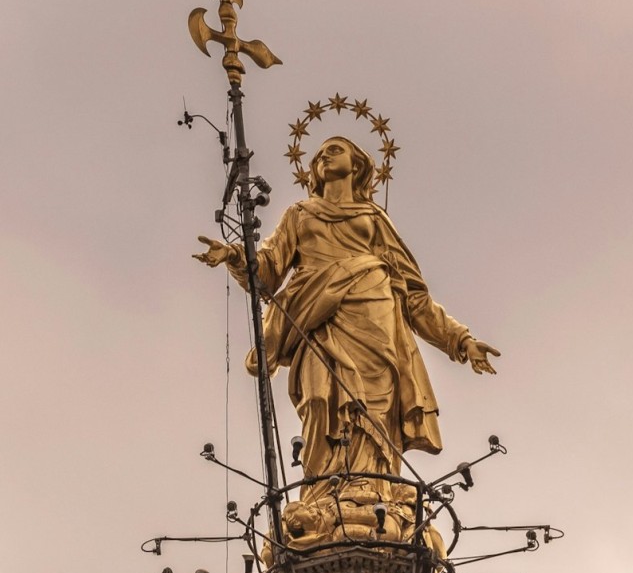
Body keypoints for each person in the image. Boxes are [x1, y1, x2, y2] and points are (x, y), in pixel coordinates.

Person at [193, 136, 499, 511]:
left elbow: (415, 295)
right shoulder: (299, 214)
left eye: (334, 150)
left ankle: (376, 490)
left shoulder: (373, 219)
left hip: (375, 321)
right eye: (319, 153)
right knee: (321, 398)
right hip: (315, 318)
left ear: (357, 165)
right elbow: (268, 272)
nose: (323, 156)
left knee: (374, 409)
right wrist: (234, 255)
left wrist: (461, 339)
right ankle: (325, 492)